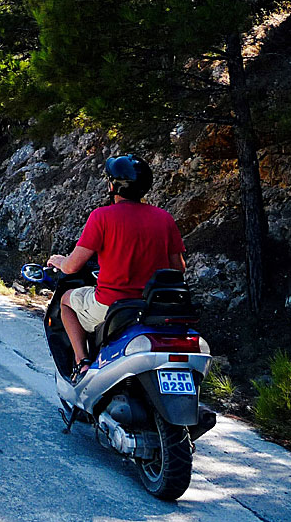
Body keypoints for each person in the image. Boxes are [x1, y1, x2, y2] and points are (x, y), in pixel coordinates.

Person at [46, 154, 186, 383]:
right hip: (153, 306)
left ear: (113, 186)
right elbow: (178, 268)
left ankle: (82, 364)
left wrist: (59, 261)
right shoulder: (165, 218)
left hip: (112, 304)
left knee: (66, 301)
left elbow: (72, 267)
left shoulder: (101, 217)